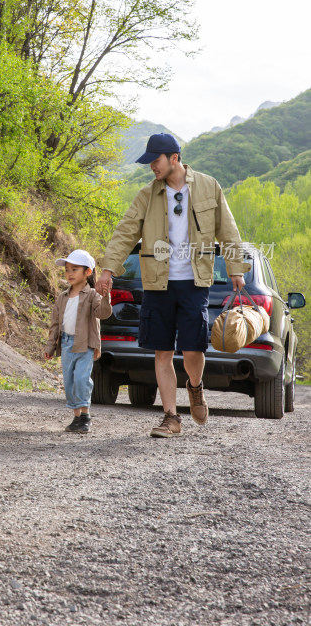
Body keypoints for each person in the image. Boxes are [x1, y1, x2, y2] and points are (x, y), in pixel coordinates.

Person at [95, 133, 250, 439]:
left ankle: (194, 386)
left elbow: (228, 232)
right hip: (157, 283)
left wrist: (236, 268)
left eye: (156, 160)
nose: (152, 166)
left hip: (194, 282)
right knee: (162, 351)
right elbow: (125, 231)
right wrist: (108, 268)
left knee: (193, 349)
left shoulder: (209, 187)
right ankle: (171, 417)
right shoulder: (147, 195)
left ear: (174, 158)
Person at [45, 249, 112, 433]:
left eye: (74, 269)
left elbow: (103, 313)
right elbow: (55, 324)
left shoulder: (92, 295)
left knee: (82, 378)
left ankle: (85, 416)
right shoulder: (62, 297)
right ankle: (76, 418)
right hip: (66, 343)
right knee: (69, 382)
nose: (69, 273)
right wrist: (50, 346)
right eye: (67, 270)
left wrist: (106, 296)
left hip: (85, 343)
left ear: (87, 272)